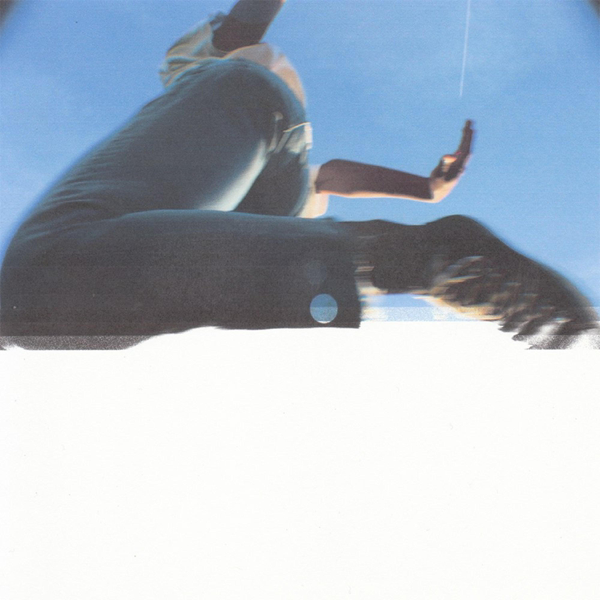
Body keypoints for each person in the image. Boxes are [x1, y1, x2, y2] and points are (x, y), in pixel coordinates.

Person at [0, 0, 597, 350]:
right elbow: (325, 176)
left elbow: (243, 28)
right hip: (276, 221)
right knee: (77, 293)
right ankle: (424, 257)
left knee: (45, 269)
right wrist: (426, 188)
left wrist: (428, 189)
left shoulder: (203, 71)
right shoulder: (285, 181)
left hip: (245, 98)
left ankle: (421, 255)